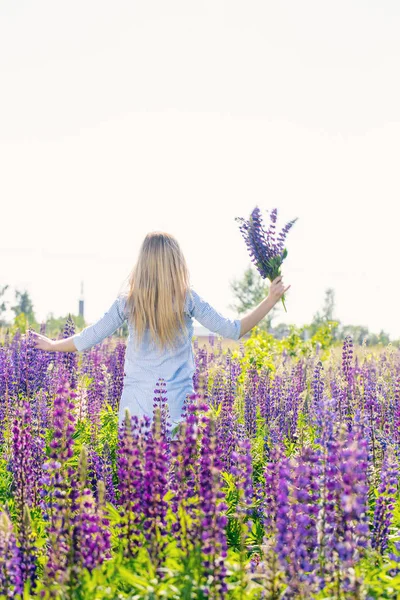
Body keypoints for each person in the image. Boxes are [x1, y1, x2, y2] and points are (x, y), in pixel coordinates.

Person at [32, 231, 290, 431]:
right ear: (176, 263)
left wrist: (54, 345)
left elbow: (88, 338)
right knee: (177, 490)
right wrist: (270, 300)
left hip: (134, 413)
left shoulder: (128, 302)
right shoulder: (187, 299)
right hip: (179, 413)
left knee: (137, 491)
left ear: (142, 263)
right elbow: (234, 330)